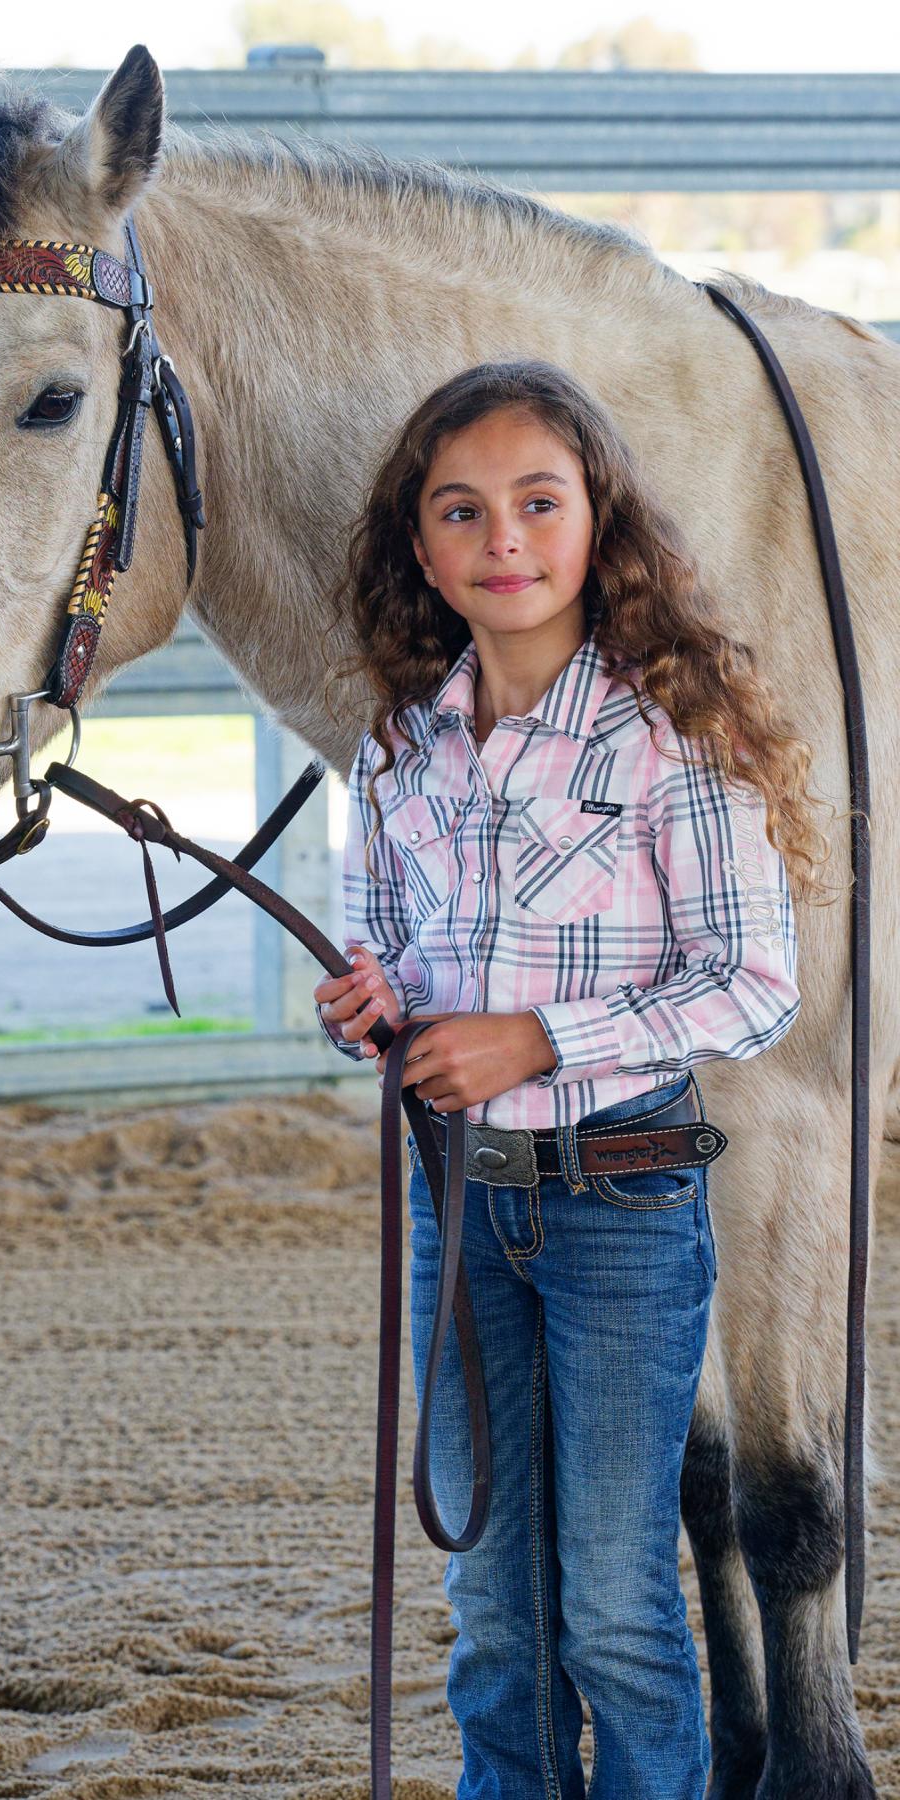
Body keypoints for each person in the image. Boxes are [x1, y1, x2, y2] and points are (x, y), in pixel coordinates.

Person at [312, 360, 835, 1800]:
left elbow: (753, 984)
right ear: (420, 547)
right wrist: (375, 1007)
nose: (504, 539)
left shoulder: (679, 736)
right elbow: (406, 960)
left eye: (539, 503)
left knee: (614, 1604)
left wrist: (539, 1040)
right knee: (491, 1610)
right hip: (461, 1213)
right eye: (462, 511)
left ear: (598, 522)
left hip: (620, 1205)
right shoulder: (400, 749)